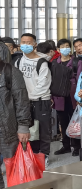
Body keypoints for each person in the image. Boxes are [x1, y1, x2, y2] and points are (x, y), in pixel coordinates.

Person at [0, 41, 31, 189]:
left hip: (8, 129)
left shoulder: (11, 72)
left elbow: (21, 101)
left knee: (10, 168)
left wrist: (23, 127)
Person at [16, 33, 52, 168]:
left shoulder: (42, 62)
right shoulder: (18, 61)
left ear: (35, 44)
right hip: (23, 101)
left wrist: (28, 97)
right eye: (23, 42)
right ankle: (32, 154)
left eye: (28, 42)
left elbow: (43, 85)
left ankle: (44, 155)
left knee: (43, 129)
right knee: (29, 130)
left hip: (40, 100)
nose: (25, 45)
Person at [53, 39, 82, 156]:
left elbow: (80, 80)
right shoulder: (55, 63)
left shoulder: (76, 62)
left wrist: (80, 97)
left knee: (75, 121)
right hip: (59, 96)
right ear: (58, 50)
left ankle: (76, 146)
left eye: (67, 46)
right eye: (62, 47)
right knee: (63, 122)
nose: (65, 48)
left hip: (73, 96)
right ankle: (65, 145)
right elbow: (52, 81)